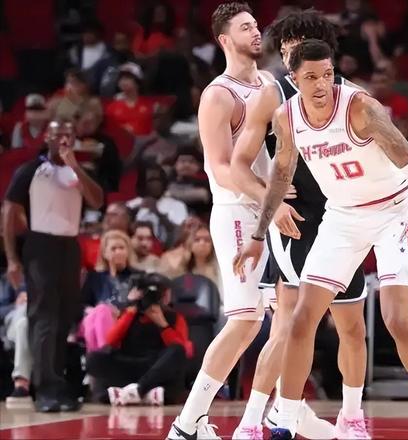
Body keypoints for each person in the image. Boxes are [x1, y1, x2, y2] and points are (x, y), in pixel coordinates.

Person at [233, 39, 408, 440]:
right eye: (311, 77)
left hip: (394, 212)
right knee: (302, 318)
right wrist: (257, 234)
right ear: (294, 80)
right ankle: (284, 425)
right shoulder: (286, 117)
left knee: (396, 318)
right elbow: (281, 176)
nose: (321, 84)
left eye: (327, 74)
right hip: (343, 216)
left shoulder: (360, 107)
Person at [230, 9, 371, 439]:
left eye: (300, 45)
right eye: (287, 47)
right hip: (297, 220)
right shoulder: (272, 95)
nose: (291, 54)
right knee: (290, 321)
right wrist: (269, 201)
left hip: (345, 218)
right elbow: (238, 165)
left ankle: (351, 417)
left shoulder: (352, 96)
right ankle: (254, 420)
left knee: (352, 326)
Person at [166, 4, 273, 439]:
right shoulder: (218, 95)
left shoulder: (270, 84)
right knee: (246, 320)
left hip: (273, 211)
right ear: (225, 40)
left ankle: (281, 414)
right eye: (246, 27)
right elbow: (220, 168)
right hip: (238, 211)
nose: (256, 31)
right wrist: (269, 197)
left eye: (256, 24)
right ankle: (186, 423)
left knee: (290, 317)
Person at [3, 119, 103, 412]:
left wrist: (75, 166)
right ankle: (44, 388)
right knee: (44, 316)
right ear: (47, 137)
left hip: (69, 245)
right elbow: (9, 210)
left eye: (69, 135)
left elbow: (97, 201)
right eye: (58, 134)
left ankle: (58, 385)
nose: (64, 140)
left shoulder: (77, 171)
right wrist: (12, 258)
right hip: (41, 245)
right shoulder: (31, 170)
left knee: (64, 316)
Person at [86, 273, 191, 406]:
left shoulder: (175, 317)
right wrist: (130, 309)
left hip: (156, 369)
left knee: (177, 351)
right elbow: (110, 341)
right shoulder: (129, 313)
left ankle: (137, 390)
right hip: (129, 365)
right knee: (94, 358)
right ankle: (146, 394)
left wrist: (162, 324)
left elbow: (182, 349)